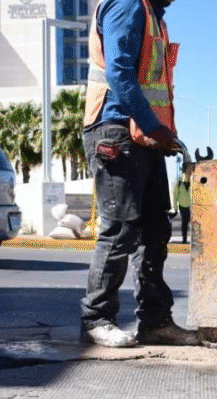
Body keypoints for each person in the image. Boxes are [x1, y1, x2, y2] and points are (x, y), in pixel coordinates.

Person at [79, 0, 198, 348]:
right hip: (115, 129)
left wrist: (158, 131)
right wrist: (151, 125)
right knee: (121, 228)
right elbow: (118, 71)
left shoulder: (155, 18)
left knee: (154, 229)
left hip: (143, 135)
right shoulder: (128, 4)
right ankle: (96, 318)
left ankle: (156, 321)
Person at [171, 166, 192, 244]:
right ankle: (184, 239)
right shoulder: (179, 182)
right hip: (183, 206)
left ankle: (194, 238)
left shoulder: (192, 181)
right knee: (185, 223)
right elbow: (175, 195)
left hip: (192, 206)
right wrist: (175, 207)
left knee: (192, 223)